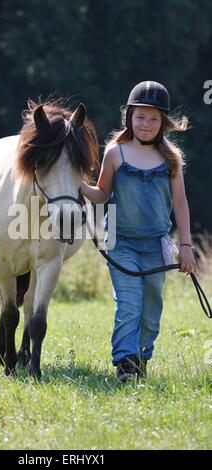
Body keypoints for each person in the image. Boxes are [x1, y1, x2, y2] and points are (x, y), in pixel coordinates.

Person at [81, 81, 197, 383]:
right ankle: (125, 362)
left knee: (151, 306)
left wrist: (186, 244)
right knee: (129, 303)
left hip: (156, 244)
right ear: (129, 117)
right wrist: (79, 187)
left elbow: (181, 203)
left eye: (153, 118)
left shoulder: (170, 157)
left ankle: (141, 356)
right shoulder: (115, 153)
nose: (146, 124)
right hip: (121, 243)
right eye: (140, 117)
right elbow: (102, 194)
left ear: (163, 122)